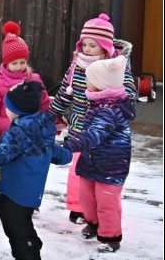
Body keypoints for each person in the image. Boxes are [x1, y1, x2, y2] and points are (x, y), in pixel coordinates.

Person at [0, 81, 73, 260]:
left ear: (16, 110)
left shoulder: (18, 133)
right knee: (20, 222)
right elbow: (56, 153)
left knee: (15, 224)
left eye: (7, 107)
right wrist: (68, 152)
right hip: (29, 189)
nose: (6, 111)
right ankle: (30, 244)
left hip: (16, 189)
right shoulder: (41, 127)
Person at [50, 13, 136, 224]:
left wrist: (114, 97)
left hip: (106, 132)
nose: (86, 49)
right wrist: (54, 114)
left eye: (92, 46)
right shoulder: (76, 65)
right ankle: (79, 208)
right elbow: (64, 92)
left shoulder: (115, 66)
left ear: (105, 47)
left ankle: (103, 212)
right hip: (80, 127)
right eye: (84, 45)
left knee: (102, 177)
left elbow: (129, 93)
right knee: (78, 172)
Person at [63, 56, 135, 253]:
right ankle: (94, 224)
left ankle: (110, 236)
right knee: (87, 195)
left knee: (106, 201)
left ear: (99, 85)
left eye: (89, 79)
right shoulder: (98, 103)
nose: (85, 83)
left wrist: (71, 145)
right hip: (92, 160)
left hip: (111, 164)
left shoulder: (109, 109)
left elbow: (94, 135)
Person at [0, 21, 50, 149]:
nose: (19, 67)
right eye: (14, 63)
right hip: (6, 135)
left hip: (32, 134)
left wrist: (49, 123)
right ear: (6, 63)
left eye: (22, 62)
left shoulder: (34, 80)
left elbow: (44, 104)